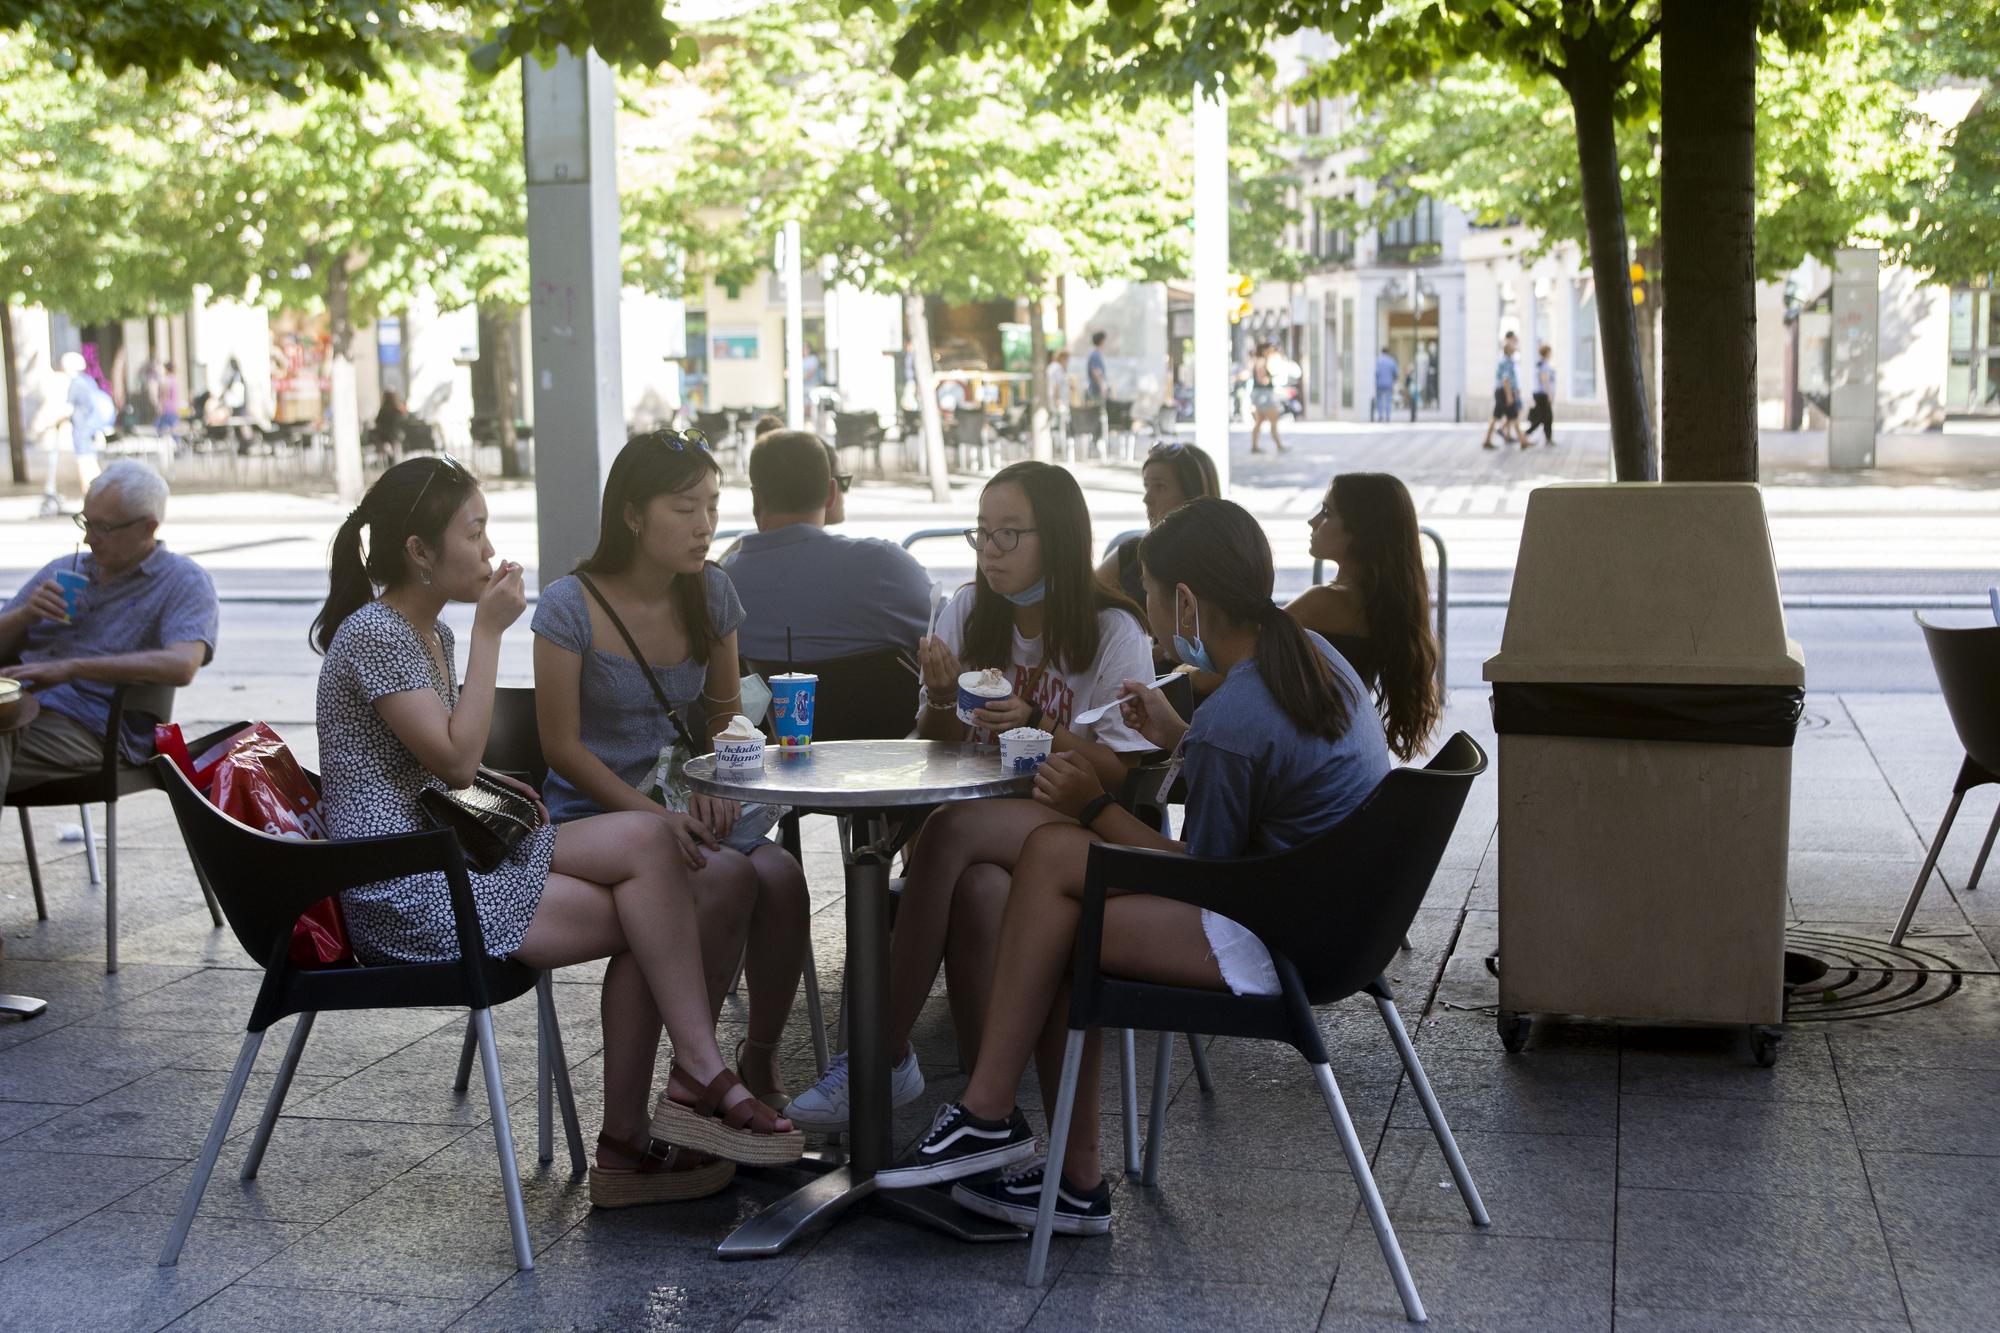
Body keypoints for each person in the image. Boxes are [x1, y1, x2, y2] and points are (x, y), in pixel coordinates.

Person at [874, 497, 1392, 1236]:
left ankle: (1037, 1148)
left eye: (1149, 590)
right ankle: (1001, 1124)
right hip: (1336, 915)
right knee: (1050, 861)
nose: (1145, 609)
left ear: (1185, 600)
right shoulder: (1310, 654)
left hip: (1278, 934)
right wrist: (1177, 733)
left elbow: (1205, 875)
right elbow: (1253, 790)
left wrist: (1092, 805)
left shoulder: (1237, 717)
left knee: (1051, 913)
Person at [312, 455, 801, 1209]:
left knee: (655, 865)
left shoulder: (425, 631)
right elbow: (456, 757)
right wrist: (488, 633)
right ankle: (662, 1110)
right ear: (419, 551)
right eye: (473, 533)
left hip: (452, 855)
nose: (487, 549)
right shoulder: (379, 633)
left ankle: (652, 1119)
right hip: (404, 885)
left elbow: (451, 774)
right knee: (662, 903)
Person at [785, 461, 1157, 1131]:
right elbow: (935, 742)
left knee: (951, 831)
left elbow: (1124, 773)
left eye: (1009, 534)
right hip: (986, 836)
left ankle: (883, 1051)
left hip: (1077, 828)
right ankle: (993, 1122)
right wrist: (935, 694)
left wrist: (1038, 722)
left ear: (1060, 539)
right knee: (980, 889)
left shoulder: (1113, 633)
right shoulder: (967, 609)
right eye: (981, 532)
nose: (989, 550)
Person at [531, 432, 810, 1112]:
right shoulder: (569, 605)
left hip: (680, 804)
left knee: (786, 879)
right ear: (632, 514)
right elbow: (562, 748)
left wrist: (715, 788)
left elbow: (723, 721)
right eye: (685, 507)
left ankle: (758, 1059)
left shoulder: (711, 593)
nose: (705, 525)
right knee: (730, 876)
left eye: (713, 505)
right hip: (595, 818)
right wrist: (659, 818)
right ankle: (697, 1074)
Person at [0, 462, 218, 798]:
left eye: (102, 528)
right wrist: (25, 615)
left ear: (148, 528)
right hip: (18, 708)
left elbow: (182, 665)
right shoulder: (63, 569)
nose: (88, 538)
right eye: (85, 522)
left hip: (93, 726)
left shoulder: (183, 581)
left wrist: (71, 668)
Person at [723, 429, 929, 663]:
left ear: (756, 499)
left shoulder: (723, 584)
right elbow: (950, 630)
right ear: (832, 493)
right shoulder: (884, 567)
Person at [1287, 472, 1443, 761]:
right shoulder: (1380, 604)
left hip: (1305, 765)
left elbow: (1235, 656)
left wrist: (1186, 674)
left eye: (1326, 512)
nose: (1312, 522)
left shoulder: (1325, 603)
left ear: (1360, 532)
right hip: (1342, 757)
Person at [1094, 441, 1222, 686]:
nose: (1147, 499)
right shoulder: (1131, 552)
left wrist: (1179, 674)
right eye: (1146, 486)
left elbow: (1231, 662)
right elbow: (1082, 600)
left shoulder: (1224, 563)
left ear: (1194, 494)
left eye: (1160, 487)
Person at [62, 352, 112, 496]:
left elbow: (69, 408)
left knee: (83, 460)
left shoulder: (76, 383)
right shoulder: (88, 380)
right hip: (92, 426)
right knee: (91, 459)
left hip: (82, 428)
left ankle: (89, 494)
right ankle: (99, 491)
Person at [1482, 333, 1527, 450]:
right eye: (1513, 348)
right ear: (1509, 351)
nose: (1515, 350)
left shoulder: (1506, 360)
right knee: (1502, 416)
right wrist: (1509, 396)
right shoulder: (1506, 361)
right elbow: (1506, 379)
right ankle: (1488, 440)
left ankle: (1522, 441)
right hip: (1504, 392)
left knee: (1511, 417)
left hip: (1504, 392)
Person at [1248, 342, 1287, 454]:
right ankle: (1279, 444)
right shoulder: (1261, 361)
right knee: (1274, 418)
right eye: (1270, 350)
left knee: (1259, 421)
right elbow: (1262, 379)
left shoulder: (1257, 360)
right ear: (1265, 350)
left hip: (1259, 394)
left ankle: (1255, 446)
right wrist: (1271, 378)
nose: (1271, 352)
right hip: (1263, 394)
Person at [1526, 343, 1557, 446]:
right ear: (1547, 353)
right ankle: (1525, 434)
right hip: (1542, 395)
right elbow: (1544, 380)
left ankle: (1547, 438)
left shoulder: (1541, 363)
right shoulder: (1543, 365)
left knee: (1545, 417)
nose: (1551, 354)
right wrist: (1549, 394)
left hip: (1539, 395)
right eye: (1550, 352)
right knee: (1543, 417)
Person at [1044, 349, 1071, 449]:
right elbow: (1056, 386)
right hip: (1058, 401)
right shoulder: (1057, 368)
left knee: (1057, 423)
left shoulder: (1051, 367)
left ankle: (1057, 445)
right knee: (1059, 424)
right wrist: (1058, 400)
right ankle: (1059, 446)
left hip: (1055, 400)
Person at [1373, 347, 1399, 423]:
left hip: (1379, 383)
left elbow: (1376, 373)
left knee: (1379, 400)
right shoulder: (1391, 361)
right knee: (1388, 400)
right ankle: (1387, 416)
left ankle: (1380, 416)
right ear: (1388, 352)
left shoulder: (1378, 361)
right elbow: (1396, 372)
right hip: (1388, 383)